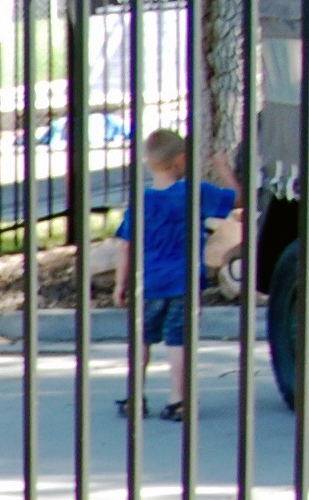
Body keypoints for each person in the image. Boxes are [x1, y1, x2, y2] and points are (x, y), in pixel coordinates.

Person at [98, 127, 241, 423]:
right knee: (179, 341)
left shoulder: (142, 202)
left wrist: (120, 285)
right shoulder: (195, 193)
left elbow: (126, 247)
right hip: (184, 284)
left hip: (147, 285)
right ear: (181, 160)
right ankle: (178, 399)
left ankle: (135, 395)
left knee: (142, 340)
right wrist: (223, 167)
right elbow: (237, 200)